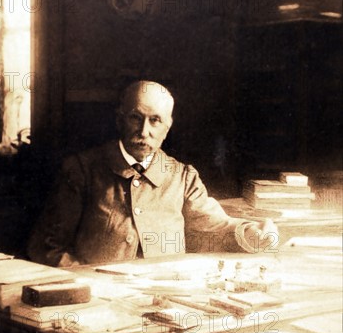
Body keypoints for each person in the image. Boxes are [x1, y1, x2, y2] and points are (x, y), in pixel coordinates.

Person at [28, 81, 277, 267]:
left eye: (155, 121)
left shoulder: (182, 177)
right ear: (120, 120)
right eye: (136, 118)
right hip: (101, 304)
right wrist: (86, 283)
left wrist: (250, 232)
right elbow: (47, 247)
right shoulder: (81, 170)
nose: (144, 131)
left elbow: (214, 227)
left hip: (168, 299)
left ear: (167, 128)